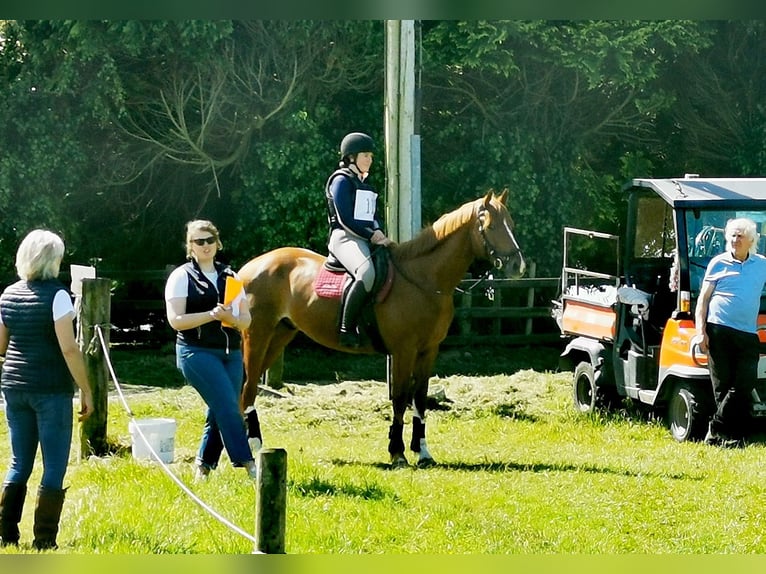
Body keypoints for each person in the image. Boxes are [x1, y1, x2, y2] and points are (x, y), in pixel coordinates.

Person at [0, 229, 94, 550]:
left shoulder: (8, 294)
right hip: (51, 389)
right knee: (54, 465)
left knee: (19, 462)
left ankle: (6, 534)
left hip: (14, 386)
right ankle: (44, 541)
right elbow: (69, 349)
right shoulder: (58, 295)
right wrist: (87, 390)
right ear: (53, 260)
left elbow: (1, 346)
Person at [164, 220, 258, 481]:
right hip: (196, 352)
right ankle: (249, 464)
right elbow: (176, 320)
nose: (205, 246)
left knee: (219, 408)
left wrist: (231, 317)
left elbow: (246, 321)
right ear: (190, 247)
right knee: (229, 405)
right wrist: (210, 315)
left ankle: (203, 467)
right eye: (198, 242)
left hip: (231, 353)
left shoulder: (231, 276)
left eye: (209, 241)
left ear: (217, 244)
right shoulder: (181, 276)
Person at [695, 217, 766, 447]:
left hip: (747, 333)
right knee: (722, 386)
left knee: (744, 383)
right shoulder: (718, 263)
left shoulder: (761, 264)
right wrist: (701, 332)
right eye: (732, 236)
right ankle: (730, 438)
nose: (735, 240)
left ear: (751, 240)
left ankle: (716, 430)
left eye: (740, 236)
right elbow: (703, 300)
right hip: (718, 331)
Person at [324, 131, 394, 347]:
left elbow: (372, 216)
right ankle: (346, 329)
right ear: (352, 157)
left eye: (371, 156)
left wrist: (379, 232)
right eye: (366, 155)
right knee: (367, 273)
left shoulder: (364, 183)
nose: (370, 160)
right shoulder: (341, 180)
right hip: (344, 237)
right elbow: (344, 218)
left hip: (365, 237)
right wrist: (371, 235)